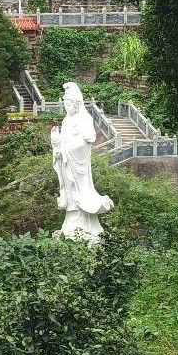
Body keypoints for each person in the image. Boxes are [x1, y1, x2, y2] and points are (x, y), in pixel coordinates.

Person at [51, 82, 113, 239]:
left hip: (77, 163)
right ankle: (71, 223)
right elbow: (64, 141)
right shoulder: (66, 121)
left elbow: (87, 141)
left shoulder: (84, 118)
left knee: (79, 189)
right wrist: (56, 144)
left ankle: (84, 226)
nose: (66, 107)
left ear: (76, 104)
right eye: (64, 104)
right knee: (69, 191)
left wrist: (67, 148)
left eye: (68, 104)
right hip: (66, 162)